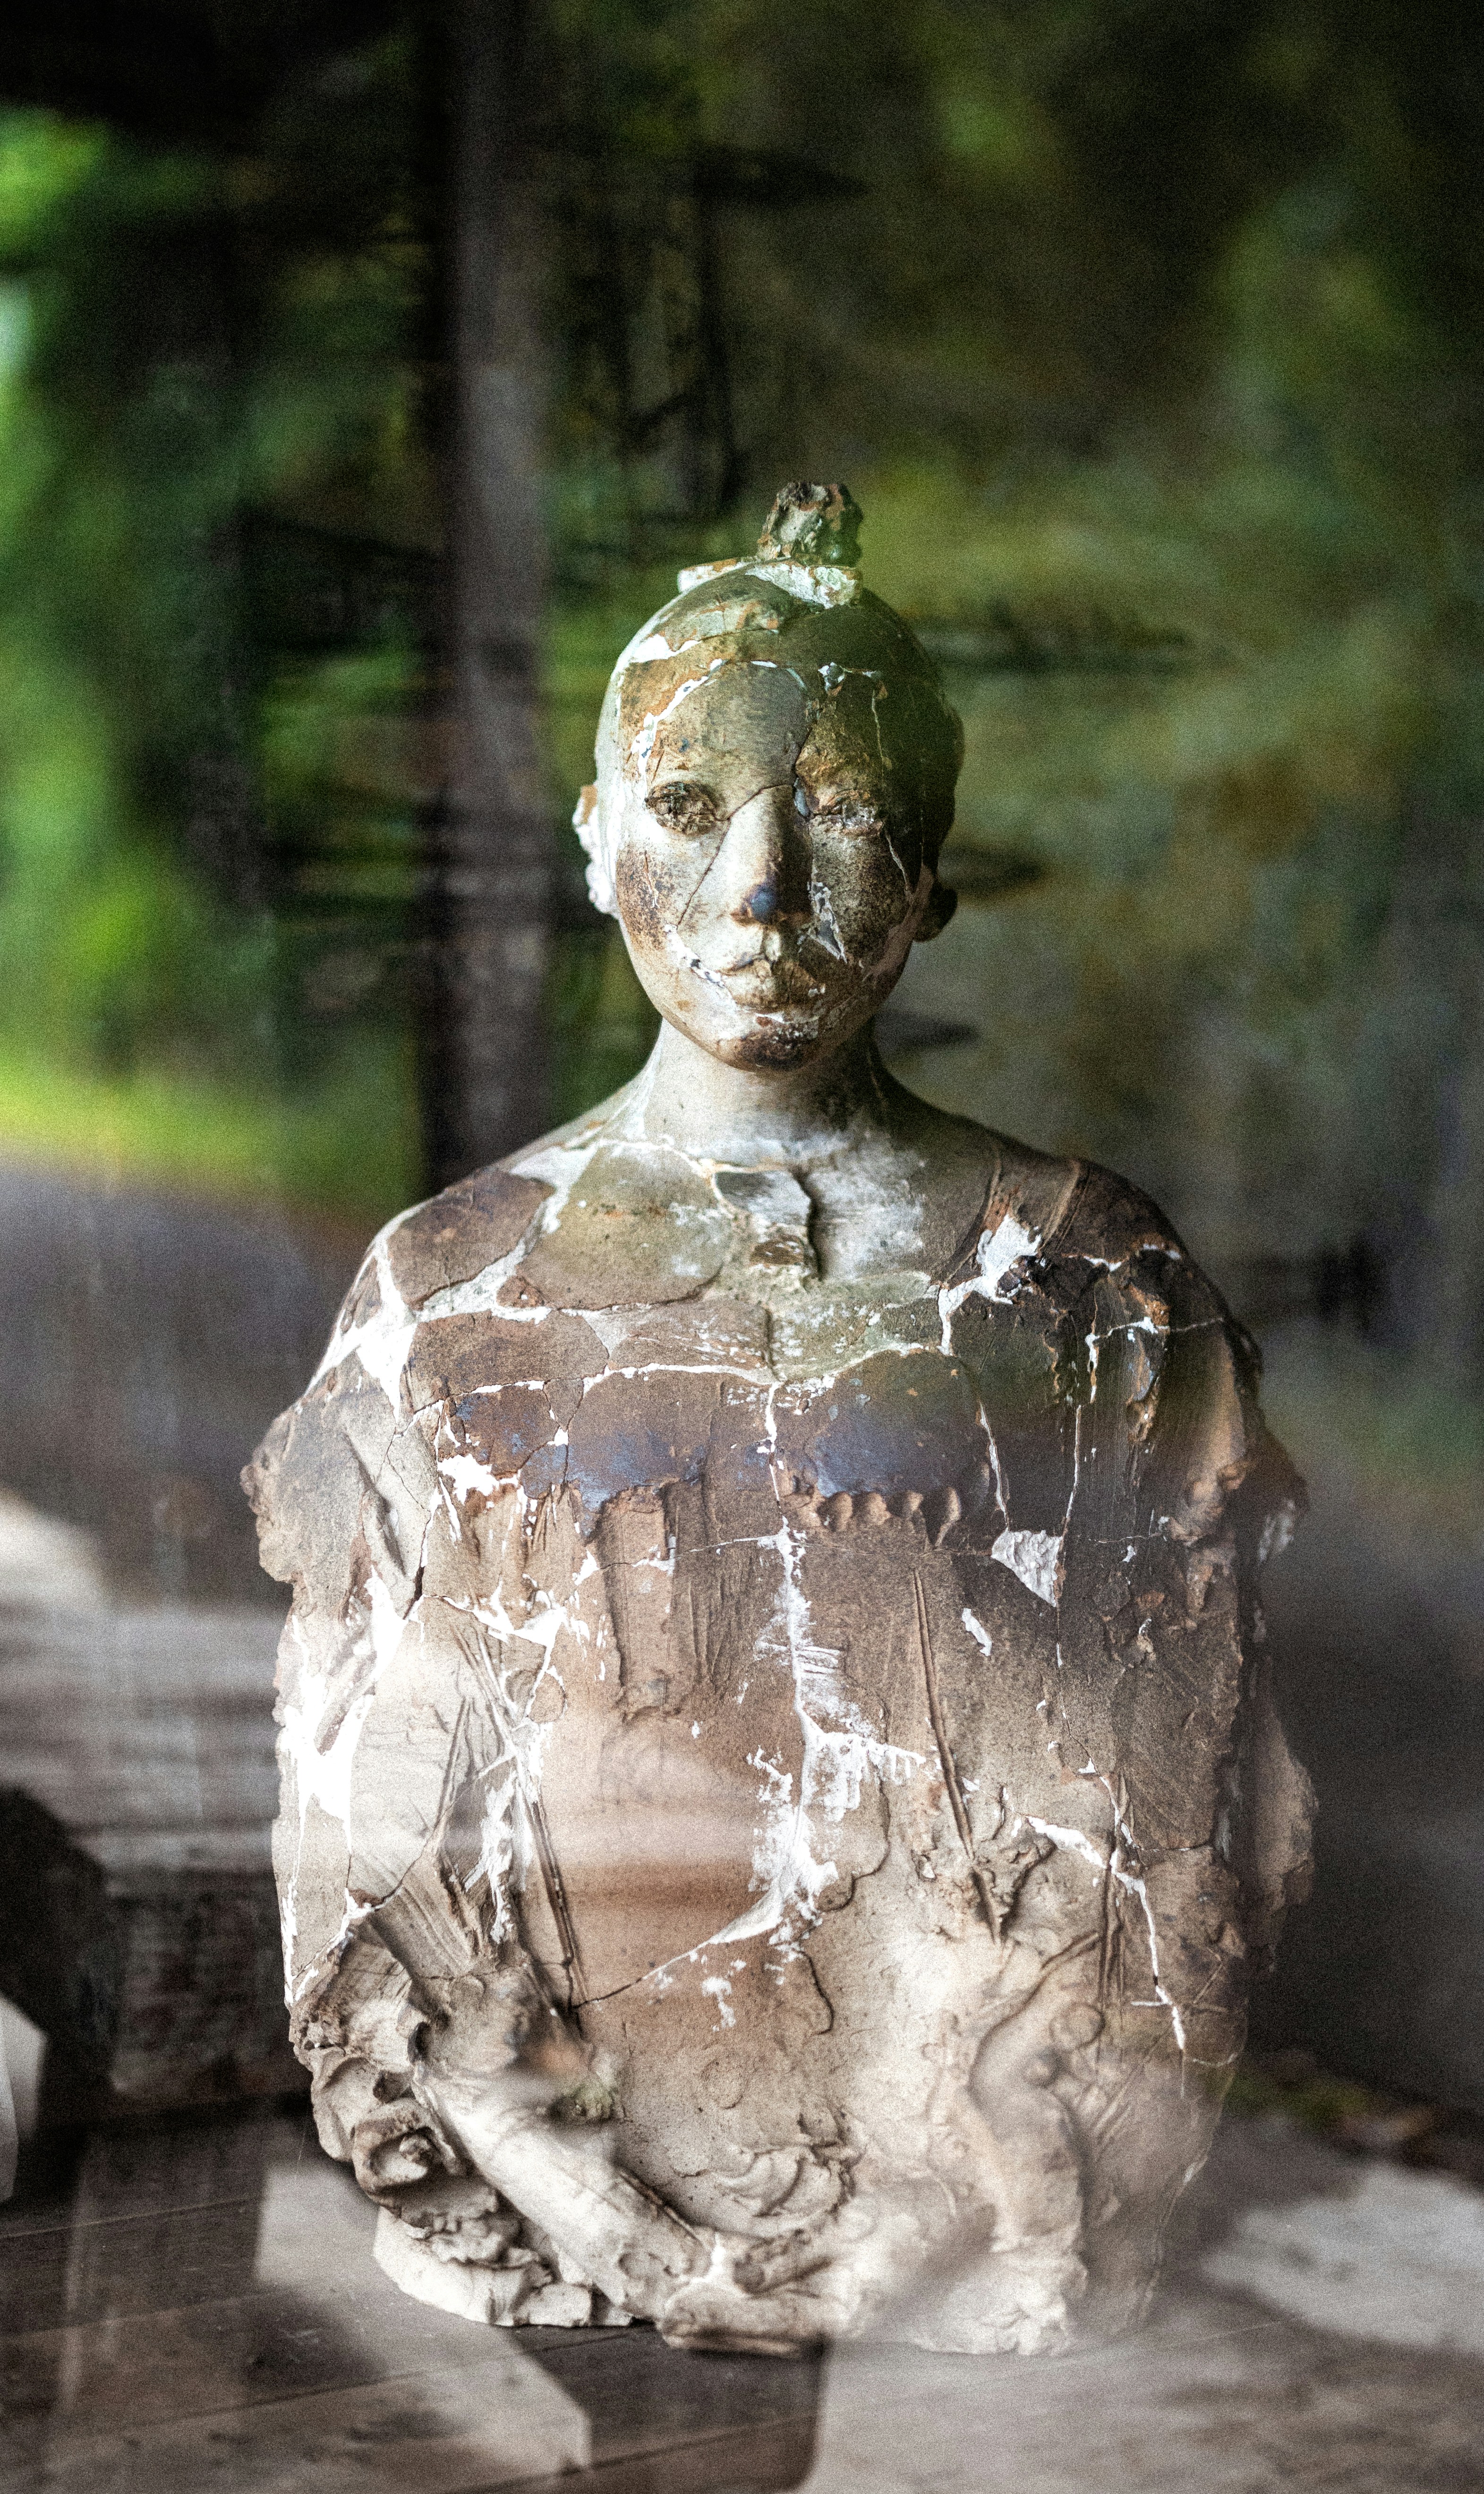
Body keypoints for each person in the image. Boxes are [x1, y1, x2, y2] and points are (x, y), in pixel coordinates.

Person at [247, 485, 1312, 2354]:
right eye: (686, 811)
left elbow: (1195, 1803)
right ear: (594, 844)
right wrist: (565, 2198)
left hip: (989, 2218)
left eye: (836, 822)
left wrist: (995, 2201)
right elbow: (363, 1819)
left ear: (930, 883)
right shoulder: (444, 1288)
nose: (757, 896)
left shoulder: (1087, 1279)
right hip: (557, 2178)